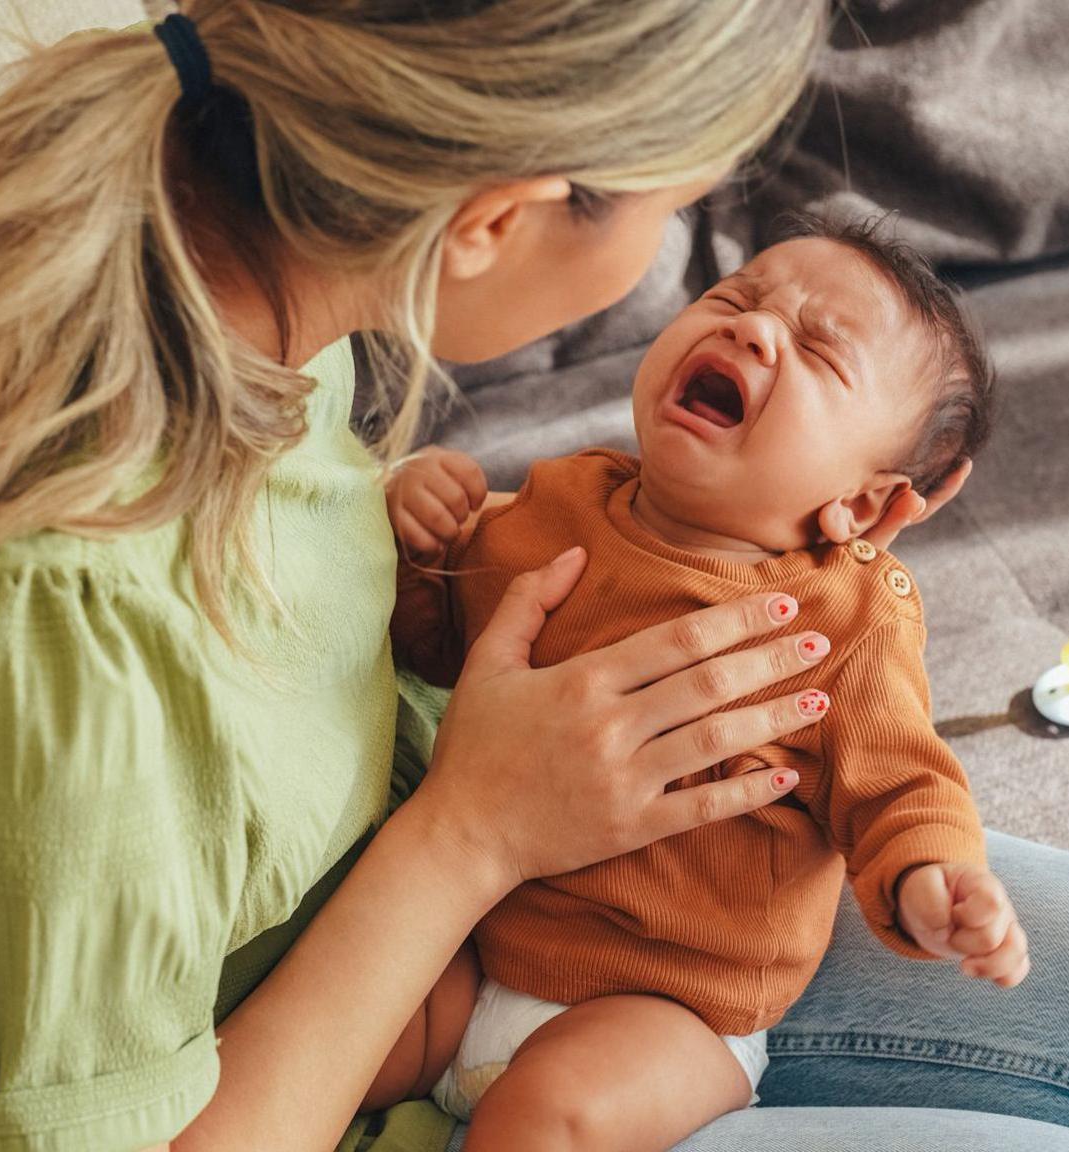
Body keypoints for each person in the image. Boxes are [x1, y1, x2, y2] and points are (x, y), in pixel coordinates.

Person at [0, 3, 1069, 1150]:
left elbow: (274, 595)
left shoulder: (193, 193)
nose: (692, 283)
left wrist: (392, 531)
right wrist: (478, 830)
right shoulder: (47, 671)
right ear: (499, 218)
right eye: (687, 220)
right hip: (340, 1030)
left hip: (520, 868)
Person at [377, 217, 1022, 1151]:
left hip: (668, 1004)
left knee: (544, 1117)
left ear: (866, 504)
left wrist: (934, 875)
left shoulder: (847, 619)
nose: (752, 332)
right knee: (353, 1029)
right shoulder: (560, 501)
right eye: (734, 298)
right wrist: (420, 543)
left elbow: (902, 781)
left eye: (817, 350)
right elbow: (439, 654)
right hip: (476, 944)